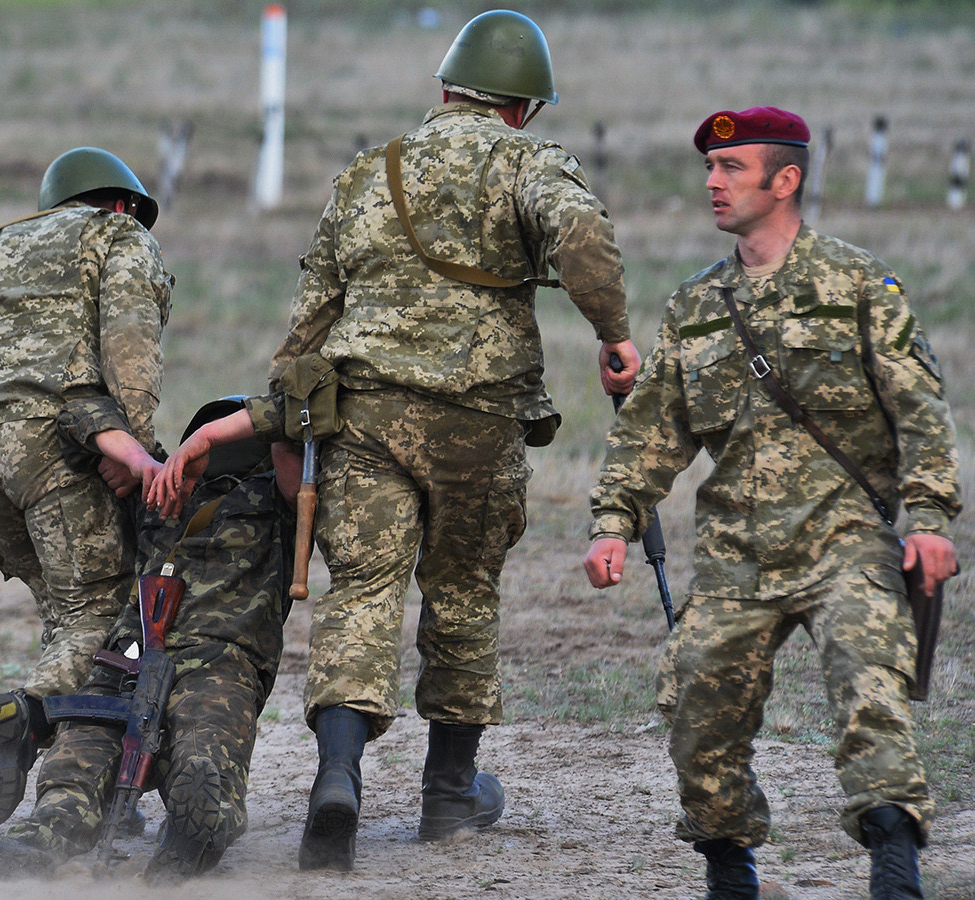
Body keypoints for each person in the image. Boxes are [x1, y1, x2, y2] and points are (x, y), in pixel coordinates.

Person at [261, 10, 638, 871]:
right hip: (478, 421)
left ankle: (339, 779)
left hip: (365, 417)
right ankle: (448, 795)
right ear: (523, 108)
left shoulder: (368, 171)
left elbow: (311, 313)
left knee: (362, 588)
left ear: (446, 89)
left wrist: (284, 417)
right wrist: (613, 334)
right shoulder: (529, 163)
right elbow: (581, 236)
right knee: (463, 592)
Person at [583, 106, 959, 900]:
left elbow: (920, 409)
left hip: (845, 538)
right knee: (696, 712)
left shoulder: (857, 284)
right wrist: (614, 523)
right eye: (709, 170)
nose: (712, 184)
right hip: (736, 554)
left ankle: (895, 869)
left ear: (785, 181)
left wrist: (927, 520)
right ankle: (730, 868)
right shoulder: (696, 307)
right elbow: (653, 432)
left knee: (871, 694)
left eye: (732, 170)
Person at [0, 395, 292, 881]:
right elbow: (75, 418)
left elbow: (299, 409)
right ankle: (38, 842)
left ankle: (191, 837)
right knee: (78, 754)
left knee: (204, 758)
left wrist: (210, 437)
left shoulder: (280, 503)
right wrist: (142, 462)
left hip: (220, 658)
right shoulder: (160, 492)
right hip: (129, 657)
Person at [0, 147, 173, 827]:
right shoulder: (117, 236)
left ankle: (94, 775)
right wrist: (133, 444)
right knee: (100, 617)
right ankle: (33, 716)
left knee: (68, 618)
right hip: (61, 446)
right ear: (124, 203)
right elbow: (130, 345)